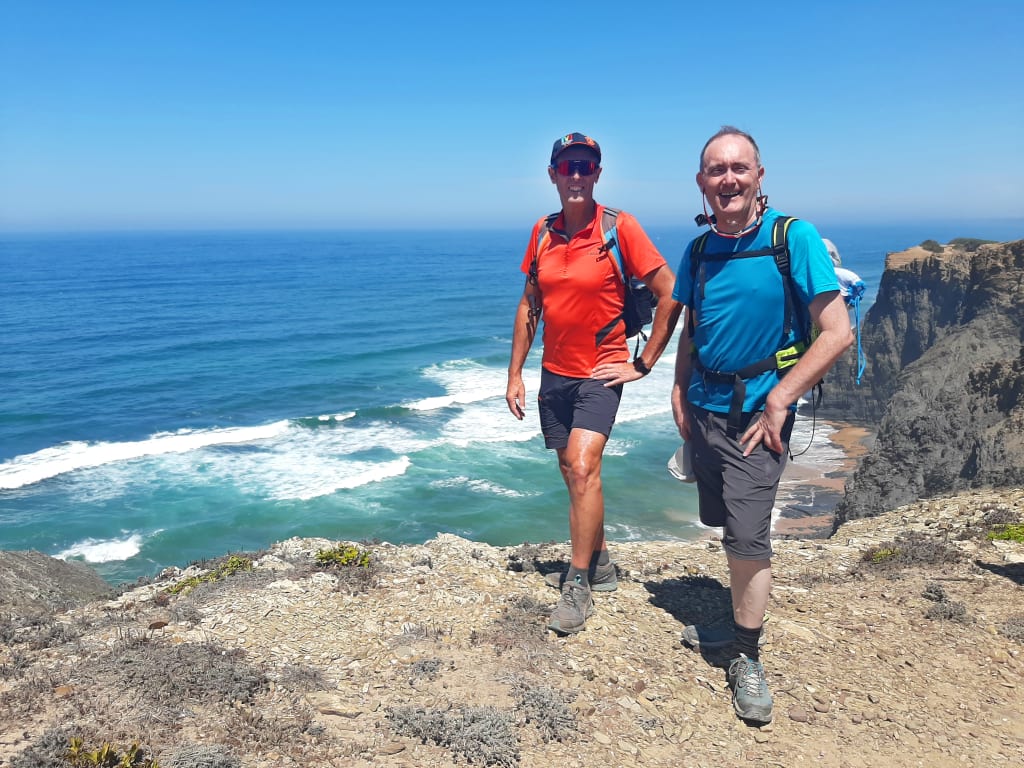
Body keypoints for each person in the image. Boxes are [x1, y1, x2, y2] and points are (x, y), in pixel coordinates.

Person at [670, 126, 853, 723]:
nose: (728, 180)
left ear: (759, 176)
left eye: (738, 169)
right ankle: (734, 613)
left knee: (749, 535)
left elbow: (836, 333)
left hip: (758, 417)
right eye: (716, 171)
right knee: (721, 519)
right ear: (702, 183)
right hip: (704, 409)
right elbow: (693, 327)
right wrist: (677, 389)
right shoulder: (698, 251)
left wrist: (781, 400)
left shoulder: (790, 238)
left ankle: (746, 654)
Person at [506, 132, 681, 635]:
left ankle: (577, 582)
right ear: (553, 175)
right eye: (568, 167)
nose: (577, 175)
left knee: (583, 468)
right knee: (570, 469)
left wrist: (643, 362)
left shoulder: (619, 227)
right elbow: (529, 304)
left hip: (601, 371)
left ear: (598, 174)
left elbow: (670, 292)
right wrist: (516, 372)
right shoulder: (541, 232)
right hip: (554, 373)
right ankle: (601, 560)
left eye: (586, 166)